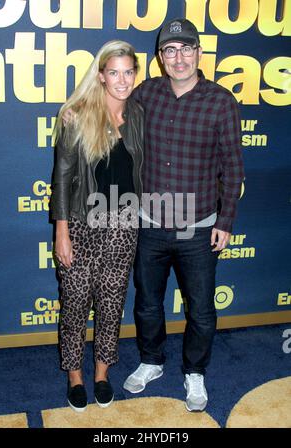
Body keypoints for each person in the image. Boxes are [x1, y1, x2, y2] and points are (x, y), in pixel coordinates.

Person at [123, 18, 245, 412]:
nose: (179, 57)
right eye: (170, 50)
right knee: (146, 303)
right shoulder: (146, 93)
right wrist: (75, 115)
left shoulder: (221, 100)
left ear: (198, 52)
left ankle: (195, 371)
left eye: (186, 48)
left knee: (202, 309)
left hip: (199, 229)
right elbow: (108, 110)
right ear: (160, 57)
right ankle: (151, 360)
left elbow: (233, 168)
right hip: (150, 224)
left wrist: (225, 222)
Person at [50, 40, 143, 412]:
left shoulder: (139, 114)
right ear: (101, 76)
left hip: (123, 225)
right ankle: (75, 376)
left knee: (111, 305)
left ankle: (102, 374)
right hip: (81, 224)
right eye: (114, 72)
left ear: (136, 74)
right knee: (73, 306)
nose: (122, 80)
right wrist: (62, 232)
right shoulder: (77, 115)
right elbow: (61, 179)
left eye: (128, 72)